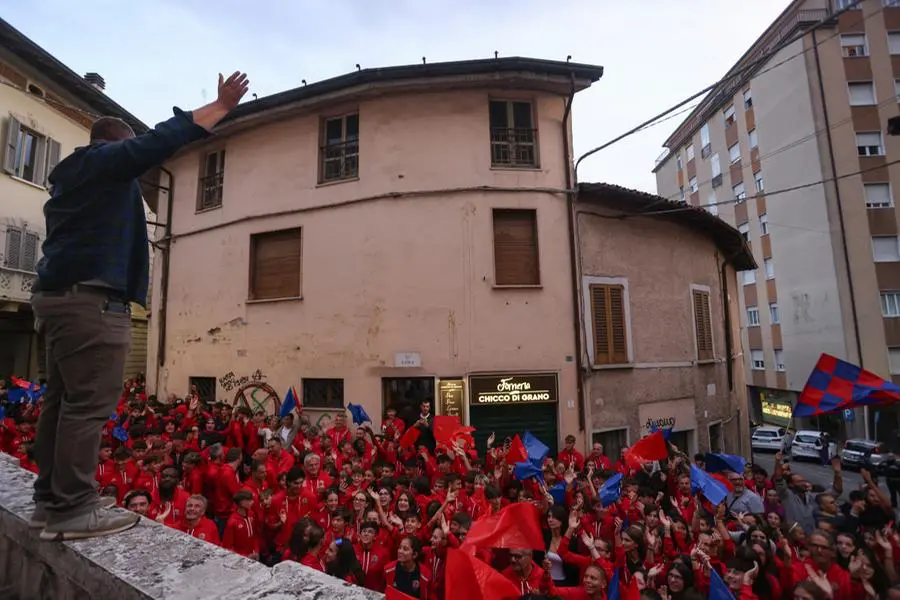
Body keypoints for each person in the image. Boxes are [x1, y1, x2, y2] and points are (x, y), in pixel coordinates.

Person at [29, 71, 250, 541]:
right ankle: (71, 507)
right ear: (114, 146)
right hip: (91, 302)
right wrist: (217, 108)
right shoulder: (103, 162)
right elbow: (151, 145)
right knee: (87, 407)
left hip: (58, 298)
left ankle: (49, 502)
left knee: (62, 401)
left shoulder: (70, 182)